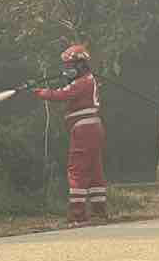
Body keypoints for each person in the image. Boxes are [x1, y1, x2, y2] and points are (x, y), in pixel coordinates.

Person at [35, 43, 106, 226]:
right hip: (94, 128)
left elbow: (61, 95)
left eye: (69, 66)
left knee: (77, 170)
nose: (67, 70)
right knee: (94, 169)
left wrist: (41, 92)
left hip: (83, 129)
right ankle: (99, 212)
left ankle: (77, 215)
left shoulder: (82, 83)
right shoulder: (90, 80)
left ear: (80, 65)